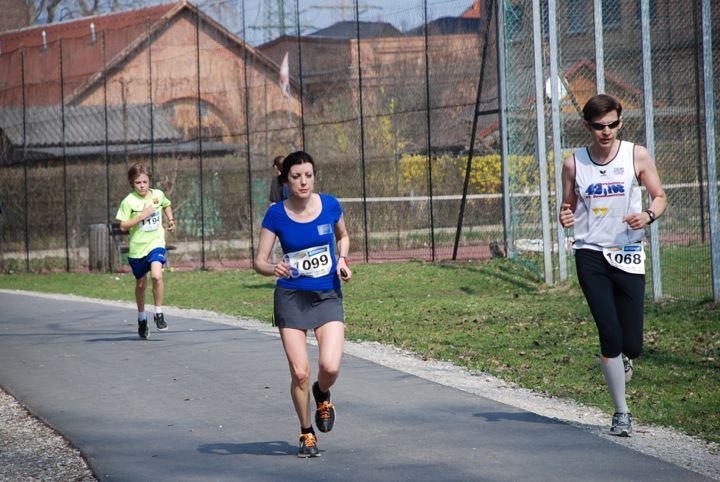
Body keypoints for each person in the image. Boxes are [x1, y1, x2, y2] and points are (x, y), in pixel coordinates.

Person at [559, 94, 667, 437]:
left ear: (620, 122)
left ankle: (624, 359)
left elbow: (660, 196)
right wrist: (563, 215)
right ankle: (621, 412)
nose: (606, 132)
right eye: (598, 126)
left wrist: (648, 216)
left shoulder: (636, 155)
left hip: (628, 254)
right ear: (587, 126)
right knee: (610, 334)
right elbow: (567, 205)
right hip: (590, 253)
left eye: (612, 124)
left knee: (631, 344)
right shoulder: (573, 163)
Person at [254, 151, 352, 458]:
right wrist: (274, 268)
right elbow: (259, 261)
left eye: (308, 175)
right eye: (296, 176)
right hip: (291, 297)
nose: (303, 182)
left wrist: (342, 260)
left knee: (330, 366)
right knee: (299, 372)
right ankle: (306, 432)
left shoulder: (330, 205)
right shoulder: (276, 214)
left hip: (327, 294)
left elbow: (343, 236)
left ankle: (322, 393)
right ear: (285, 180)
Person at [116, 163, 176, 340]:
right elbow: (123, 225)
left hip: (156, 243)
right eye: (138, 183)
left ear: (149, 180)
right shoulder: (129, 201)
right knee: (141, 284)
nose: (142, 186)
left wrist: (171, 220)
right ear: (132, 183)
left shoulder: (157, 195)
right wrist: (142, 216)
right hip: (138, 249)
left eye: (145, 181)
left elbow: (167, 204)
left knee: (157, 276)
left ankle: (158, 313)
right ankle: (142, 318)